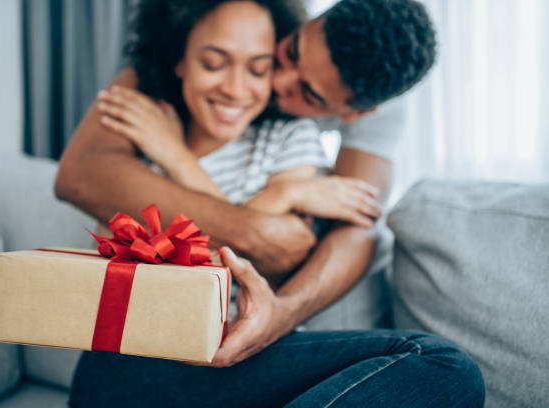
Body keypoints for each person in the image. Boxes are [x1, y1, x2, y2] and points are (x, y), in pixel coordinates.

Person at [63, 1, 484, 407]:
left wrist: (279, 314)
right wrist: (178, 156)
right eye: (288, 53)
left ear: (356, 112)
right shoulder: (163, 109)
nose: (276, 83)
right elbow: (83, 180)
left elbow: (315, 241)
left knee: (441, 367)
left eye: (307, 91)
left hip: (239, 358)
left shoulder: (294, 140)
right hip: (135, 354)